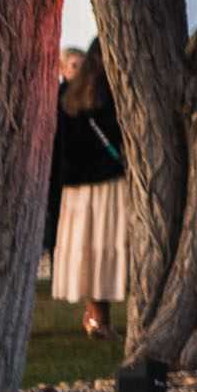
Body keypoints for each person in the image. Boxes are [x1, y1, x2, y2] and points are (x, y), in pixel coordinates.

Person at [46, 43, 132, 345]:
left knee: (89, 253)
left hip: (76, 193)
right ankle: (98, 318)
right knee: (107, 251)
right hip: (107, 187)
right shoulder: (113, 99)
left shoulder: (67, 99)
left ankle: (95, 316)